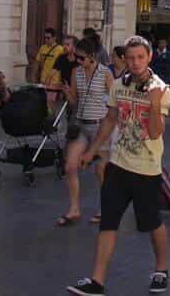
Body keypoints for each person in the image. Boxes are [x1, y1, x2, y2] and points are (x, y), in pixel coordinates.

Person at [67, 36, 170, 295]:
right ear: (124, 59)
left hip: (146, 170)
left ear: (148, 58)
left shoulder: (161, 89)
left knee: (151, 223)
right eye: (131, 58)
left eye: (140, 57)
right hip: (118, 164)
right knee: (108, 223)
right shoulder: (118, 85)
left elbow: (157, 132)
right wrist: (92, 151)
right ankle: (97, 281)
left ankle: (161, 269)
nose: (135, 63)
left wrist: (155, 102)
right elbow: (110, 120)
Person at [57, 39, 113, 228]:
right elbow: (74, 102)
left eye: (81, 57)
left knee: (102, 171)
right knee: (70, 166)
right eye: (77, 57)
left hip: (100, 126)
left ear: (92, 56)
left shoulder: (105, 73)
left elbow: (114, 103)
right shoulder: (76, 72)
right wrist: (67, 93)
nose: (78, 61)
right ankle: (74, 209)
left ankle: (106, 209)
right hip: (81, 125)